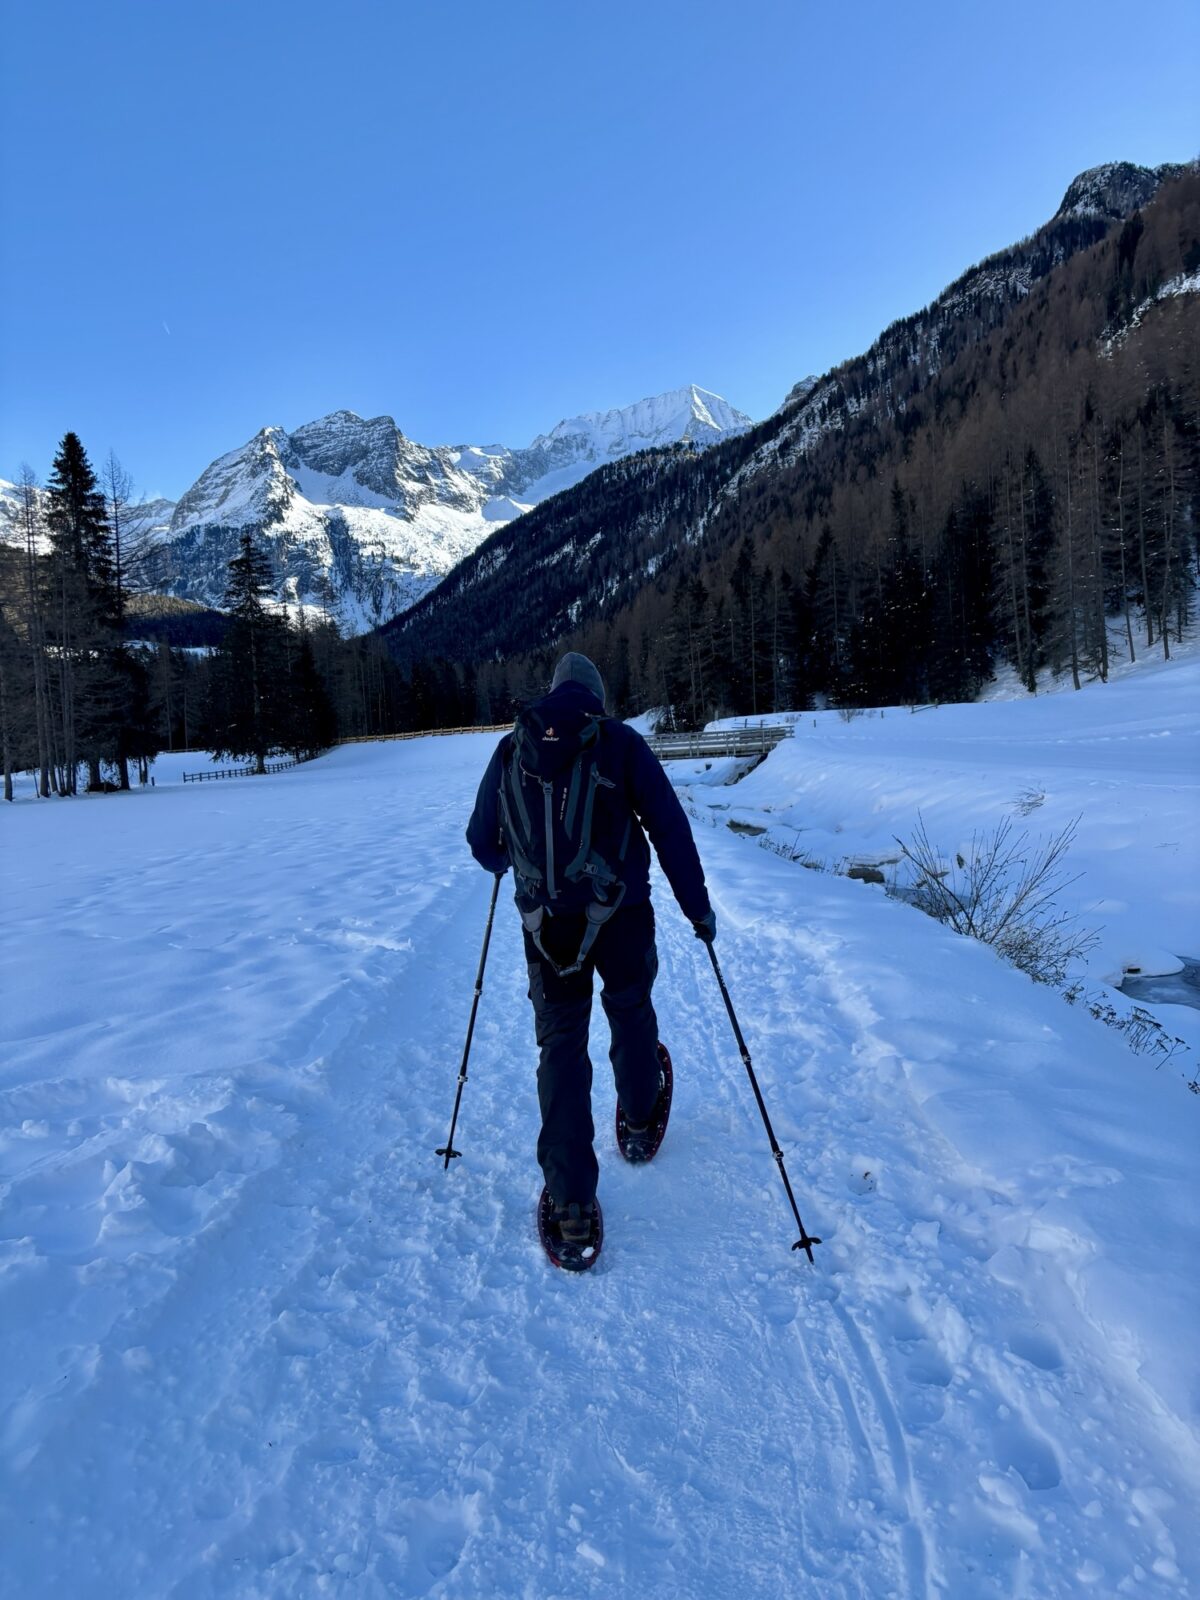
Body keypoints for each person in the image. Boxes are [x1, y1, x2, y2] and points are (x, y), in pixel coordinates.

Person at [466, 651, 715, 1251]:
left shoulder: (511, 750)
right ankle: (636, 1120)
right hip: (623, 914)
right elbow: (670, 828)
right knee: (630, 1010)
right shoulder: (620, 743)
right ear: (596, 697)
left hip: (545, 925)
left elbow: (481, 841)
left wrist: (515, 869)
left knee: (561, 1045)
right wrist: (697, 910)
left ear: (553, 691)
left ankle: (572, 1200)